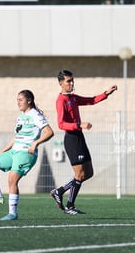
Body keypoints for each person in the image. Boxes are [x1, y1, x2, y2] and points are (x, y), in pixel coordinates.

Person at [50, 70, 118, 215]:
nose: (72, 83)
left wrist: (106, 93)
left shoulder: (73, 98)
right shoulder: (61, 100)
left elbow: (91, 100)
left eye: (72, 80)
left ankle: (59, 191)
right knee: (80, 174)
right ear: (61, 83)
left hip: (79, 137)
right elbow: (61, 124)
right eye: (68, 81)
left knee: (89, 173)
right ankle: (69, 206)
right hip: (71, 139)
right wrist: (79, 125)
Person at [0, 89, 54, 220]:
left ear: (29, 101)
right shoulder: (20, 117)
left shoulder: (35, 115)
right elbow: (17, 137)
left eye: (20, 100)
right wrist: (3, 150)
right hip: (14, 151)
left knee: (12, 179)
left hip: (26, 153)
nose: (18, 103)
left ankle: (12, 213)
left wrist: (35, 143)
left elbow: (49, 132)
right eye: (17, 100)